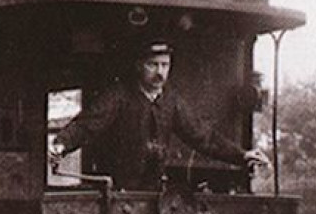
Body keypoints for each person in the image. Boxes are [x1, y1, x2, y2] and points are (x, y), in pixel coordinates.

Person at [48, 40, 267, 192]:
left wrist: (241, 155)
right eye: (152, 65)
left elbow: (203, 137)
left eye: (165, 65)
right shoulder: (119, 96)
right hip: (119, 192)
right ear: (138, 66)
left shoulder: (171, 101)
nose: (160, 72)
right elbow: (88, 124)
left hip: (154, 194)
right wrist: (61, 145)